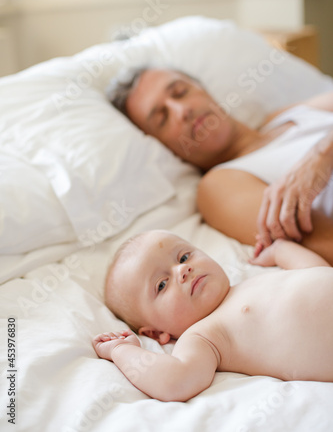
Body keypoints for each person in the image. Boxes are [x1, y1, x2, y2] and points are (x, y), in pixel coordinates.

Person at [108, 68, 333, 264]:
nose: (182, 111)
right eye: (162, 118)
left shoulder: (287, 115)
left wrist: (322, 154)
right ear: (162, 145)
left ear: (203, 89)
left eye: (180, 92)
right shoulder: (220, 185)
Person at [93, 229, 333, 402]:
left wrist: (281, 250)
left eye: (184, 257)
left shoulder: (249, 283)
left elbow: (314, 272)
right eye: (162, 285)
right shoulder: (204, 335)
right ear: (156, 333)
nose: (183, 270)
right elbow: (176, 380)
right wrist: (122, 351)